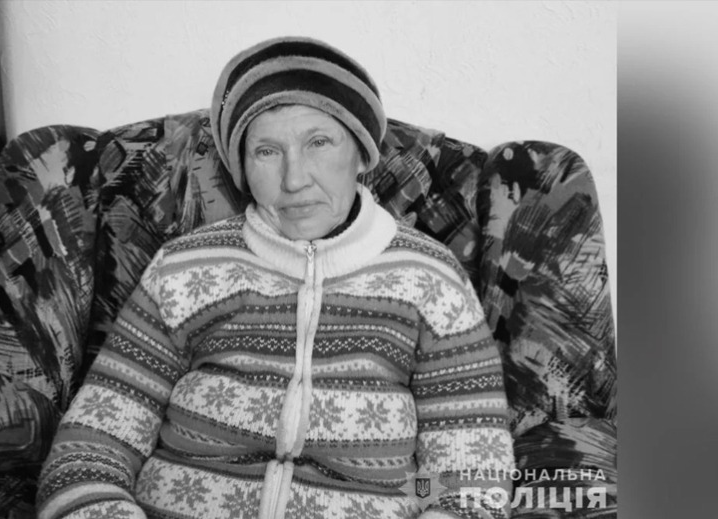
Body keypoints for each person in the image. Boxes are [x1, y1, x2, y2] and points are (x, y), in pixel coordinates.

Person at [36, 36, 514, 519]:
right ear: (241, 168)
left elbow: (469, 478)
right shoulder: (183, 268)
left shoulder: (432, 280)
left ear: (362, 154)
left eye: (319, 143)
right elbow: (90, 447)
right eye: (266, 151)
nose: (294, 179)